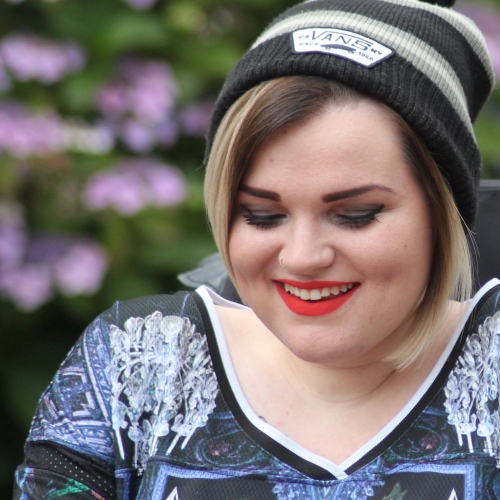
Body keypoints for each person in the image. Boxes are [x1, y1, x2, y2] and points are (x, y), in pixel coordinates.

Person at [13, 0, 499, 498]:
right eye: (261, 216)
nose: (302, 257)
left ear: (442, 217)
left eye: (356, 215)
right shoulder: (134, 363)